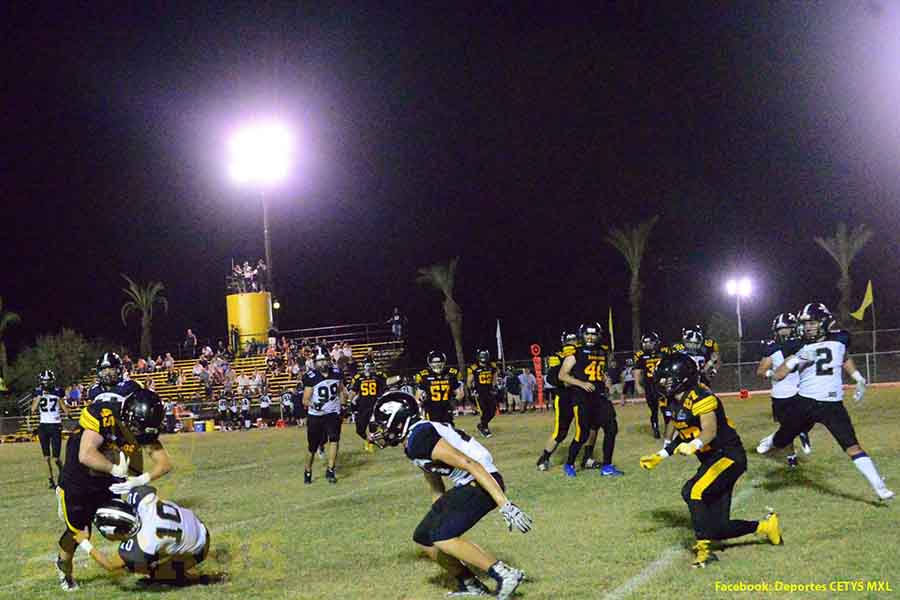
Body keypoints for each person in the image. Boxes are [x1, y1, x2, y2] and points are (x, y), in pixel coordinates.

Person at [368, 392, 532, 599]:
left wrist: (505, 504)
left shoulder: (420, 437)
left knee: (442, 536)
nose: (381, 431)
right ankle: (470, 584)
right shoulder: (413, 440)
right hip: (469, 482)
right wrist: (438, 510)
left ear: (398, 418)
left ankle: (505, 574)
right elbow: (432, 475)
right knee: (424, 537)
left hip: (482, 481)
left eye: (383, 424)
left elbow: (470, 463)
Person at [639, 352, 783, 568]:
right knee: (717, 529)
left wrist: (695, 445)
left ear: (682, 378)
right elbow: (684, 433)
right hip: (712, 460)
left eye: (666, 378)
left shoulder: (701, 396)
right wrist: (662, 455)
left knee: (692, 491)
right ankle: (766, 527)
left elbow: (709, 431)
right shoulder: (674, 400)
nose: (661, 382)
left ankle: (704, 551)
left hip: (729, 456)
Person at [758, 303, 894, 501]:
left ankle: (880, 488)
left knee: (852, 446)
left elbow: (844, 357)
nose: (808, 327)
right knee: (781, 441)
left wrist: (858, 378)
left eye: (812, 323)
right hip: (805, 403)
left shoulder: (840, 338)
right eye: (805, 323)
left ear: (824, 322)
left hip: (832, 405)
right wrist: (796, 358)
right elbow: (779, 375)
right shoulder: (797, 345)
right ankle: (772, 439)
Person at [55, 379, 170, 591]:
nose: (139, 434)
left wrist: (140, 479)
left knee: (125, 524)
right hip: (78, 481)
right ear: (127, 415)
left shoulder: (142, 424)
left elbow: (164, 463)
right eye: (136, 428)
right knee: (79, 532)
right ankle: (64, 568)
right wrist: (115, 469)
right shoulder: (103, 414)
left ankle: (139, 564)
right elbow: (86, 454)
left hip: (107, 482)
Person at [72, 485, 210, 585]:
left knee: (149, 572)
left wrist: (84, 542)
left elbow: (110, 566)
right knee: (145, 558)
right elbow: (145, 487)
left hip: (200, 546)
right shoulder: (141, 498)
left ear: (117, 533)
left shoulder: (141, 546)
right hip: (195, 522)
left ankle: (200, 579)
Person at [558, 323, 622, 476]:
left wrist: (605, 379)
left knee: (611, 428)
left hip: (599, 396)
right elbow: (562, 375)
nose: (590, 337)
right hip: (582, 397)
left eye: (593, 334)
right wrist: (582, 383)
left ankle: (607, 466)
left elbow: (598, 370)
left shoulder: (602, 351)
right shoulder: (575, 352)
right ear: (582, 335)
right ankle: (569, 464)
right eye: (587, 334)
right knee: (582, 434)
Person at [756, 313, 808, 467]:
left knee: (803, 420)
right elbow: (760, 371)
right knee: (786, 428)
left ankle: (802, 432)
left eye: (787, 329)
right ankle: (791, 456)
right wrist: (773, 374)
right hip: (781, 394)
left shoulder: (803, 344)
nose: (784, 332)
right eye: (781, 329)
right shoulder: (773, 348)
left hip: (800, 391)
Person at [535, 332, 579, 472]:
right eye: (570, 340)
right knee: (561, 432)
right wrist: (564, 382)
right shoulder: (558, 356)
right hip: (565, 397)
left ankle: (588, 457)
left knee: (588, 427)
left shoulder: (583, 353)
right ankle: (544, 458)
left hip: (581, 396)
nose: (573, 343)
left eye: (574, 339)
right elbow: (551, 377)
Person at [302, 347, 347, 484]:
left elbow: (340, 390)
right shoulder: (311, 377)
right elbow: (305, 400)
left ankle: (330, 470)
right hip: (316, 415)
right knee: (312, 447)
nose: (322, 363)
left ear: (328, 360)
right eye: (319, 361)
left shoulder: (337, 373)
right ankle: (308, 470)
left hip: (332, 413)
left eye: (324, 360)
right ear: (315, 362)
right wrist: (314, 405)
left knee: (334, 440)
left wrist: (343, 405)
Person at [30, 369, 71, 489]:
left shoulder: (58, 391)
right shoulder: (37, 392)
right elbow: (33, 409)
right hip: (43, 426)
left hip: (55, 425)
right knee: (46, 458)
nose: (47, 383)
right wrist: (40, 395)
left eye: (48, 381)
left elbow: (64, 408)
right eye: (45, 381)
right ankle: (51, 480)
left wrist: (68, 413)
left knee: (56, 458)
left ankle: (63, 474)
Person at [633, 331, 668, 439]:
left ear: (656, 342)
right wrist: (638, 385)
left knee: (666, 408)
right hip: (650, 385)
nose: (647, 344)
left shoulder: (664, 351)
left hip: (663, 384)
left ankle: (668, 429)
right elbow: (637, 370)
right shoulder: (641, 355)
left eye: (649, 342)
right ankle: (655, 428)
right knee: (654, 410)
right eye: (645, 342)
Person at [415, 351, 464, 424]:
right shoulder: (424, 375)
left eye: (439, 362)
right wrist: (421, 404)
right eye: (434, 362)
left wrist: (455, 401)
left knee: (448, 428)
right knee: (433, 428)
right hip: (431, 408)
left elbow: (460, 393)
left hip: (446, 408)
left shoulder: (451, 374)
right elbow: (418, 396)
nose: (437, 364)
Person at [350, 361, 387, 453]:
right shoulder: (359, 377)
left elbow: (384, 389)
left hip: (374, 405)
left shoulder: (378, 376)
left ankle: (370, 444)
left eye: (371, 366)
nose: (369, 368)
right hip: (362, 406)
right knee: (359, 430)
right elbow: (353, 391)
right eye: (368, 366)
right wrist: (349, 402)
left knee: (372, 426)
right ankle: (369, 440)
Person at [467, 349, 499, 437]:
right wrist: (471, 390)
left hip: (489, 391)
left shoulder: (492, 366)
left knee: (492, 411)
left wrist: (494, 386)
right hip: (479, 392)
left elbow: (494, 377)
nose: (483, 358)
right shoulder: (474, 367)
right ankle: (484, 428)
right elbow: (469, 381)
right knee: (484, 410)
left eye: (484, 355)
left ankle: (482, 425)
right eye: (482, 356)